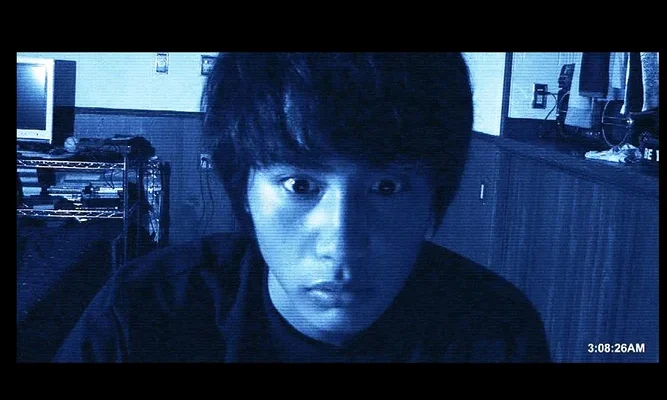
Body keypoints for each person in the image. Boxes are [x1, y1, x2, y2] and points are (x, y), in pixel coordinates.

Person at [54, 53, 551, 362]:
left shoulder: (493, 333)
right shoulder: (144, 316)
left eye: (387, 186)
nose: (342, 244)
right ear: (244, 189)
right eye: (299, 184)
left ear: (434, 195)